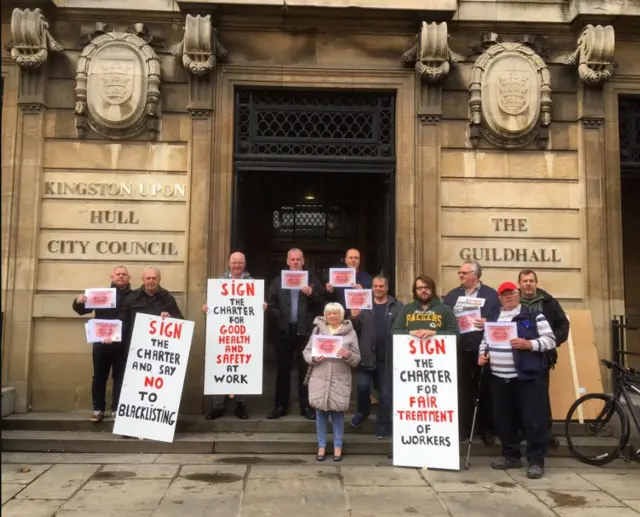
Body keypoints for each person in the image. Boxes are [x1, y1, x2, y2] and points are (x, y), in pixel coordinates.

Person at [479, 281, 556, 479]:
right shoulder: (494, 316)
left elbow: (550, 340)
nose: (508, 297)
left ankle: (536, 461)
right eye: (504, 294)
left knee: (533, 420)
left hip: (527, 377)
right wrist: (482, 354)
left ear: (518, 294)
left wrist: (528, 344)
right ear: (499, 298)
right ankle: (511, 456)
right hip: (499, 377)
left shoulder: (534, 314)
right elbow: (485, 341)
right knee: (504, 420)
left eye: (512, 293)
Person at [201, 251, 267, 421]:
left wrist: (262, 307)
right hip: (222, 334)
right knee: (219, 364)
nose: (237, 266)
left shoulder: (252, 284)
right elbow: (214, 307)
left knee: (242, 365)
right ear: (229, 264)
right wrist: (207, 309)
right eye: (234, 263)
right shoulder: (219, 284)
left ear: (244, 265)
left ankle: (240, 404)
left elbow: (255, 309)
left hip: (243, 334)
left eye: (240, 263)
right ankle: (218, 406)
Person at [443, 260, 500, 444]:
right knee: (462, 391)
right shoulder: (452, 296)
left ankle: (487, 430)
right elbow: (443, 320)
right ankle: (462, 429)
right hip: (460, 350)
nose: (460, 275)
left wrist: (488, 322)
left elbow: (502, 319)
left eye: (464, 273)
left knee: (486, 391)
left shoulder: (491, 295)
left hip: (484, 350)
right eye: (459, 273)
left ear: (476, 275)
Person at [266, 248, 326, 420]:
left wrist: (311, 294)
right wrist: (281, 320)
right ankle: (280, 406)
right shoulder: (278, 282)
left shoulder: (312, 280)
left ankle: (306, 407)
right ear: (287, 261)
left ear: (303, 261)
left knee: (305, 370)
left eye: (298, 259)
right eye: (292, 259)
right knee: (283, 370)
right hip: (284, 331)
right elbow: (271, 304)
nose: (295, 262)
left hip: (304, 331)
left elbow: (323, 302)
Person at [72, 265, 135, 423]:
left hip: (124, 343)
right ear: (112, 277)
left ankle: (117, 408)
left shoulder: (135, 296)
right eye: (117, 274)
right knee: (99, 377)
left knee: (121, 377)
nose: (120, 276)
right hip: (102, 343)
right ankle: (98, 408)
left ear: (129, 278)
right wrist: (78, 301)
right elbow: (81, 310)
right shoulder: (100, 295)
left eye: (123, 274)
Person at [518, 269, 570, 448]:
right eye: (524, 281)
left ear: (536, 283)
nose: (528, 284)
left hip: (541, 357)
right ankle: (523, 432)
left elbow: (563, 324)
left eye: (531, 280)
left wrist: (550, 342)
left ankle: (545, 433)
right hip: (517, 358)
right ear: (520, 284)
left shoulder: (548, 303)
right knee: (521, 397)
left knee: (540, 397)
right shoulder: (513, 302)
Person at [303, 302, 361, 462]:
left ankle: (337, 447)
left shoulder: (350, 333)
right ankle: (321, 446)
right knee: (320, 414)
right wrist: (313, 358)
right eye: (329, 313)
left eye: (335, 313)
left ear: (341, 315)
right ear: (325, 315)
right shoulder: (317, 330)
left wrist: (347, 354)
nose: (332, 316)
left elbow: (356, 359)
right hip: (320, 377)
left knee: (337, 415)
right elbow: (306, 352)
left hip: (339, 378)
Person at [349, 275, 403, 438]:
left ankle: (383, 425)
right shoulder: (363, 304)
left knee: (386, 395)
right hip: (367, 357)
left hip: (387, 358)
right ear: (371, 288)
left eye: (381, 286)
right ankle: (363, 411)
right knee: (363, 387)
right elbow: (354, 330)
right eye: (375, 286)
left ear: (387, 288)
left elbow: (403, 327)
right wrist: (354, 317)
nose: (378, 289)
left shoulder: (397, 306)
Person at [392, 275, 458, 337]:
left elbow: (455, 334)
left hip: (437, 348)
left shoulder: (445, 309)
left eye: (427, 287)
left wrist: (434, 333)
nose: (423, 290)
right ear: (415, 291)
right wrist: (410, 333)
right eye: (420, 288)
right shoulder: (406, 309)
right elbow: (395, 332)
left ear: (433, 289)